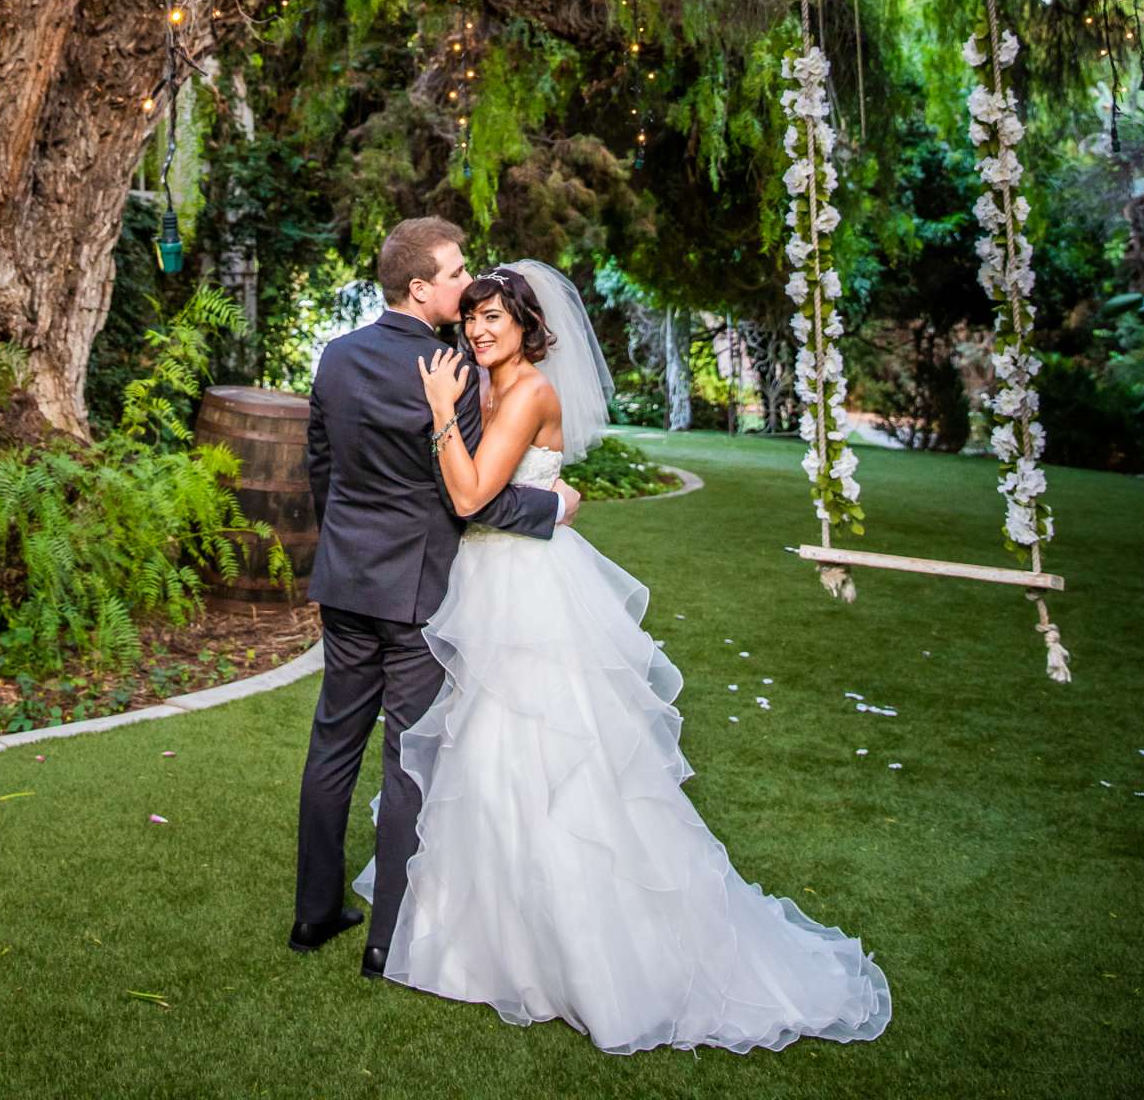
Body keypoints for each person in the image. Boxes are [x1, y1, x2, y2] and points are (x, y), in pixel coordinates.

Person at [361, 260, 893, 1056]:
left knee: (546, 747)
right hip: (487, 574)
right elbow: (485, 493)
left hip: (527, 592)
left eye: (494, 319)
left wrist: (443, 412)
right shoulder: (486, 383)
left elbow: (470, 496)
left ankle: (583, 947)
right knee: (483, 748)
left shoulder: (532, 390)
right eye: (471, 317)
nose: (477, 329)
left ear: (529, 328)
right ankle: (479, 935)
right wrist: (543, 491)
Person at [292, 219, 580, 977]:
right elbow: (474, 501)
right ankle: (388, 938)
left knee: (332, 746)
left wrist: (347, 547)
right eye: (455, 274)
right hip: (419, 592)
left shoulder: (337, 357)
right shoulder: (454, 369)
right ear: (420, 287)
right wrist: (553, 509)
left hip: (346, 581)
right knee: (409, 761)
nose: (466, 284)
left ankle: (314, 914)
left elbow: (321, 470)